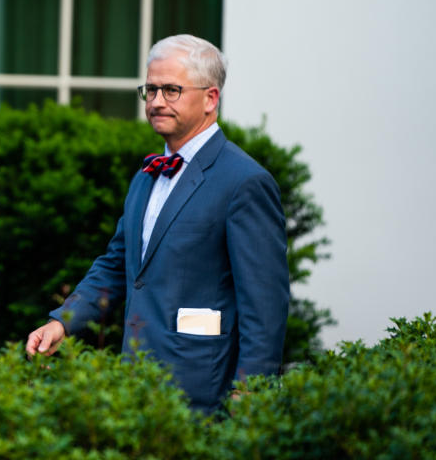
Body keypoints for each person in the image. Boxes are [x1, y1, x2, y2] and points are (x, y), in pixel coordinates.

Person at [25, 34, 289, 413]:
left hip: (203, 395)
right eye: (150, 90)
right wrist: (64, 322)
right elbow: (117, 266)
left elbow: (264, 307)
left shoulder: (244, 182)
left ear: (211, 98)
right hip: (135, 387)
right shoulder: (146, 177)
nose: (157, 101)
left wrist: (251, 393)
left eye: (171, 90)